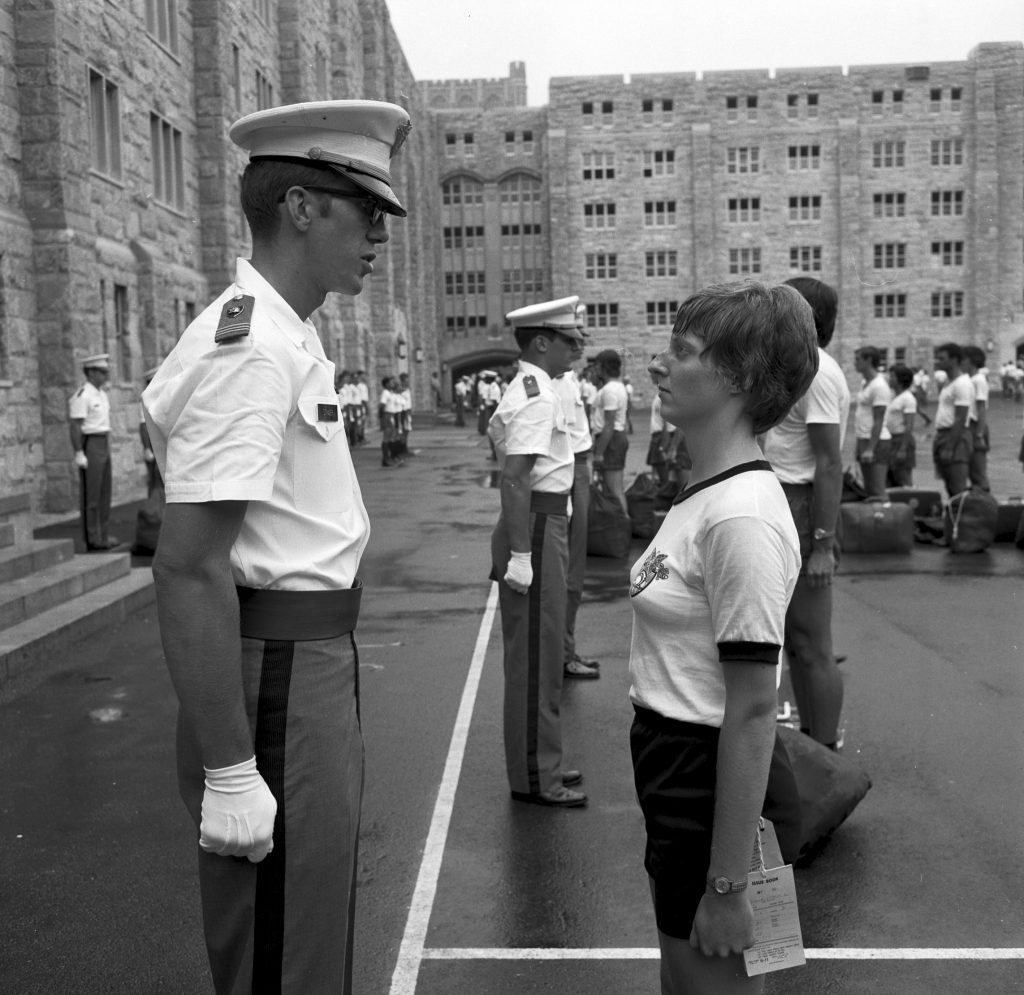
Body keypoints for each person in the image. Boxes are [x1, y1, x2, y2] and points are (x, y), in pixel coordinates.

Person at [142, 98, 412, 994]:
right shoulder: (251, 347)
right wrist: (229, 766)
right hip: (278, 678)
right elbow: (187, 563)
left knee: (309, 927)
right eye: (364, 209)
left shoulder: (289, 334)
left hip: (308, 663)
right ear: (301, 206)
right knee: (282, 949)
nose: (378, 233)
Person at [630, 282, 817, 994]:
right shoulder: (706, 488)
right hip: (678, 771)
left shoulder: (740, 515)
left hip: (713, 781)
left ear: (739, 377)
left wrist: (729, 882)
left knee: (712, 983)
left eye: (683, 352)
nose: (659, 366)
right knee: (685, 981)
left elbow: (751, 708)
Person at [488, 295, 589, 808]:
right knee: (535, 658)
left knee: (546, 655)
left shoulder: (541, 388)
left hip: (544, 521)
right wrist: (523, 556)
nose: (576, 348)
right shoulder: (537, 393)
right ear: (542, 342)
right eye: (569, 340)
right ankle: (534, 776)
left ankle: (543, 760)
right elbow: (514, 477)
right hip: (536, 524)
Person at [762, 276, 849, 749]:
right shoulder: (800, 368)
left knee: (813, 647)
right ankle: (814, 751)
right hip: (785, 502)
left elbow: (829, 462)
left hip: (802, 506)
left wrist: (822, 545)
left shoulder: (817, 373)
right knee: (795, 644)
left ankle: (826, 755)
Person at [552, 321, 601, 682]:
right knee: (569, 574)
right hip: (571, 472)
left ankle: (566, 646)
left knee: (574, 573)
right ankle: (563, 653)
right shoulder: (555, 384)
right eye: (573, 340)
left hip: (580, 466)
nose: (580, 345)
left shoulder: (566, 380)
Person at [68, 353, 119, 551]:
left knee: (105, 492)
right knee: (92, 494)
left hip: (103, 441)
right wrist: (79, 452)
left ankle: (103, 535)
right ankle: (93, 538)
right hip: (90, 444)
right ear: (90, 372)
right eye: (102, 372)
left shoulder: (101, 394)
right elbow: (75, 425)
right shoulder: (83, 395)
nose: (106, 375)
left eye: (106, 371)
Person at [932, 342, 973, 499]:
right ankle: (953, 517)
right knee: (949, 484)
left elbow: (960, 418)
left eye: (942, 358)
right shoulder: (948, 383)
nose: (938, 361)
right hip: (943, 434)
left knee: (957, 486)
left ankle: (962, 520)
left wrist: (950, 447)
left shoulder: (962, 384)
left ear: (954, 360)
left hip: (955, 436)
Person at [591, 348, 630, 515]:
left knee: (614, 490)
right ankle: (620, 524)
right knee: (613, 489)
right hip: (614, 438)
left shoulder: (609, 390)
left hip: (610, 440)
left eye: (596, 365)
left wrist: (599, 453)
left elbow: (609, 424)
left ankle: (624, 523)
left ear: (602, 366)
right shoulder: (618, 386)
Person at [852, 346, 893, 498]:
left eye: (858, 360)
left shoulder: (879, 386)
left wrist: (870, 448)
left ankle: (885, 517)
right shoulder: (866, 383)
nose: (855, 363)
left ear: (869, 361)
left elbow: (879, 419)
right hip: (864, 439)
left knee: (877, 488)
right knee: (868, 488)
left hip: (876, 441)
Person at [962, 345, 990, 491]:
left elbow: (981, 407)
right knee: (971, 469)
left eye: (964, 359)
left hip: (976, 426)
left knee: (978, 470)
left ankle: (983, 499)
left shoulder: (979, 380)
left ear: (971, 361)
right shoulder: (969, 379)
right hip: (969, 426)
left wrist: (979, 433)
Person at [885, 364, 918, 487]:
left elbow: (909, 425)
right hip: (890, 439)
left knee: (903, 477)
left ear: (900, 379)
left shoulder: (908, 399)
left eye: (892, 376)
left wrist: (903, 448)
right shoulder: (892, 396)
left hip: (901, 439)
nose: (890, 379)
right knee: (890, 476)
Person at [379, 375, 405, 467]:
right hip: (387, 415)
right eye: (391, 382)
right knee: (386, 437)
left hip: (392, 415)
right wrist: (382, 419)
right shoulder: (385, 393)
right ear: (386, 384)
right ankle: (385, 459)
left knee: (391, 436)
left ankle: (391, 456)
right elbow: (382, 406)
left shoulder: (390, 393)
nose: (393, 384)